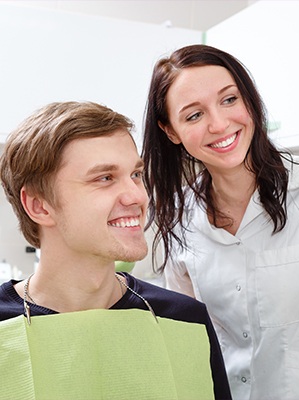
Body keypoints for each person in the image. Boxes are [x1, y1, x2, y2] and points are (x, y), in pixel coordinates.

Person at [141, 44, 299, 400]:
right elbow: (189, 346)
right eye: (194, 115)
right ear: (171, 131)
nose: (219, 123)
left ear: (249, 99)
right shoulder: (179, 216)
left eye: (229, 100)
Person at [0, 101, 232, 400]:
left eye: (135, 174)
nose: (137, 196)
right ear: (39, 206)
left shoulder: (186, 320)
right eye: (105, 178)